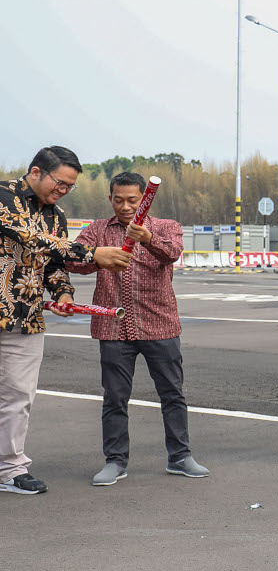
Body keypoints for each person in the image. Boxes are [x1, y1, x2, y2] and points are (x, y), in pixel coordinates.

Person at [1, 146, 131, 495]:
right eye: (60, 183)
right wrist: (93, 254)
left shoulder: (56, 215)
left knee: (19, 396)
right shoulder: (2, 197)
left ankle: (10, 470)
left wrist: (63, 294)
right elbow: (29, 237)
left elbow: (53, 261)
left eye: (69, 187)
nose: (63, 191)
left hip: (25, 316)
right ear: (35, 172)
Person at [68, 171, 208, 485]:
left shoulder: (165, 227)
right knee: (114, 398)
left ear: (144, 198)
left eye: (133, 200)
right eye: (119, 200)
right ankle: (115, 461)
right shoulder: (98, 230)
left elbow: (172, 253)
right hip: (113, 327)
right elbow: (73, 262)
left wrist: (148, 239)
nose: (126, 206)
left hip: (160, 325)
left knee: (172, 394)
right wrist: (97, 257)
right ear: (110, 199)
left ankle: (180, 456)